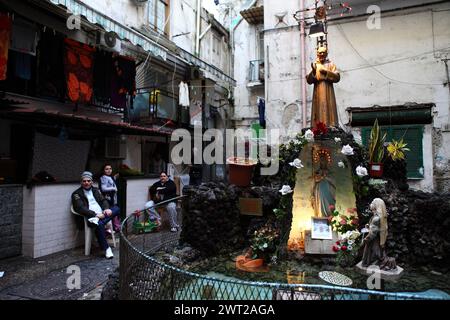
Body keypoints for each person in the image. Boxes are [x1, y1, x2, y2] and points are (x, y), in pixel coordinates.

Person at [71, 171, 120, 259]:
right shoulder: (76, 194)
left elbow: (103, 200)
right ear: (81, 182)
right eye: (84, 181)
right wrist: (96, 215)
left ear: (92, 182)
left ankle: (100, 220)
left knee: (116, 208)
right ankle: (107, 249)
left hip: (102, 214)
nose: (86, 183)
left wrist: (106, 209)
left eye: (88, 181)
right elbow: (80, 208)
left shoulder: (96, 190)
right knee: (99, 224)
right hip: (90, 217)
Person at [306, 46, 340, 127]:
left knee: (329, 107)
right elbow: (309, 81)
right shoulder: (315, 65)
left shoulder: (331, 64)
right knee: (319, 108)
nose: (321, 54)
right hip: (318, 90)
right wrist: (313, 72)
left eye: (323, 53)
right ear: (317, 54)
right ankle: (318, 126)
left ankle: (330, 125)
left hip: (328, 90)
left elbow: (337, 77)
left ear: (326, 54)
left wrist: (326, 72)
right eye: (319, 53)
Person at [361, 198, 397, 270]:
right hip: (378, 239)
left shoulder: (376, 218)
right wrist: (368, 226)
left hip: (374, 240)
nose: (371, 204)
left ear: (376, 205)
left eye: (372, 202)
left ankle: (374, 264)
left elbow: (373, 232)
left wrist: (366, 239)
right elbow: (375, 227)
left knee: (374, 252)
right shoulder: (377, 216)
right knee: (377, 252)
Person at [310, 149, 336, 217]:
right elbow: (313, 183)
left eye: (324, 160)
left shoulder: (329, 172)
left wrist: (325, 177)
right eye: (321, 160)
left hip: (328, 190)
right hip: (319, 191)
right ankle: (320, 217)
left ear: (327, 161)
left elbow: (333, 182)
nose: (322, 162)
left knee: (328, 206)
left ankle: (329, 218)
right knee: (320, 205)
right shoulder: (317, 172)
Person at [99, 164, 121, 232]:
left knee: (113, 212)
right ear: (103, 170)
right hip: (106, 199)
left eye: (110, 168)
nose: (109, 170)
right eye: (106, 169)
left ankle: (116, 227)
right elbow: (103, 188)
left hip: (112, 198)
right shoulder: (103, 177)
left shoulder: (109, 177)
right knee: (108, 213)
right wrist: (113, 188)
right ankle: (108, 229)